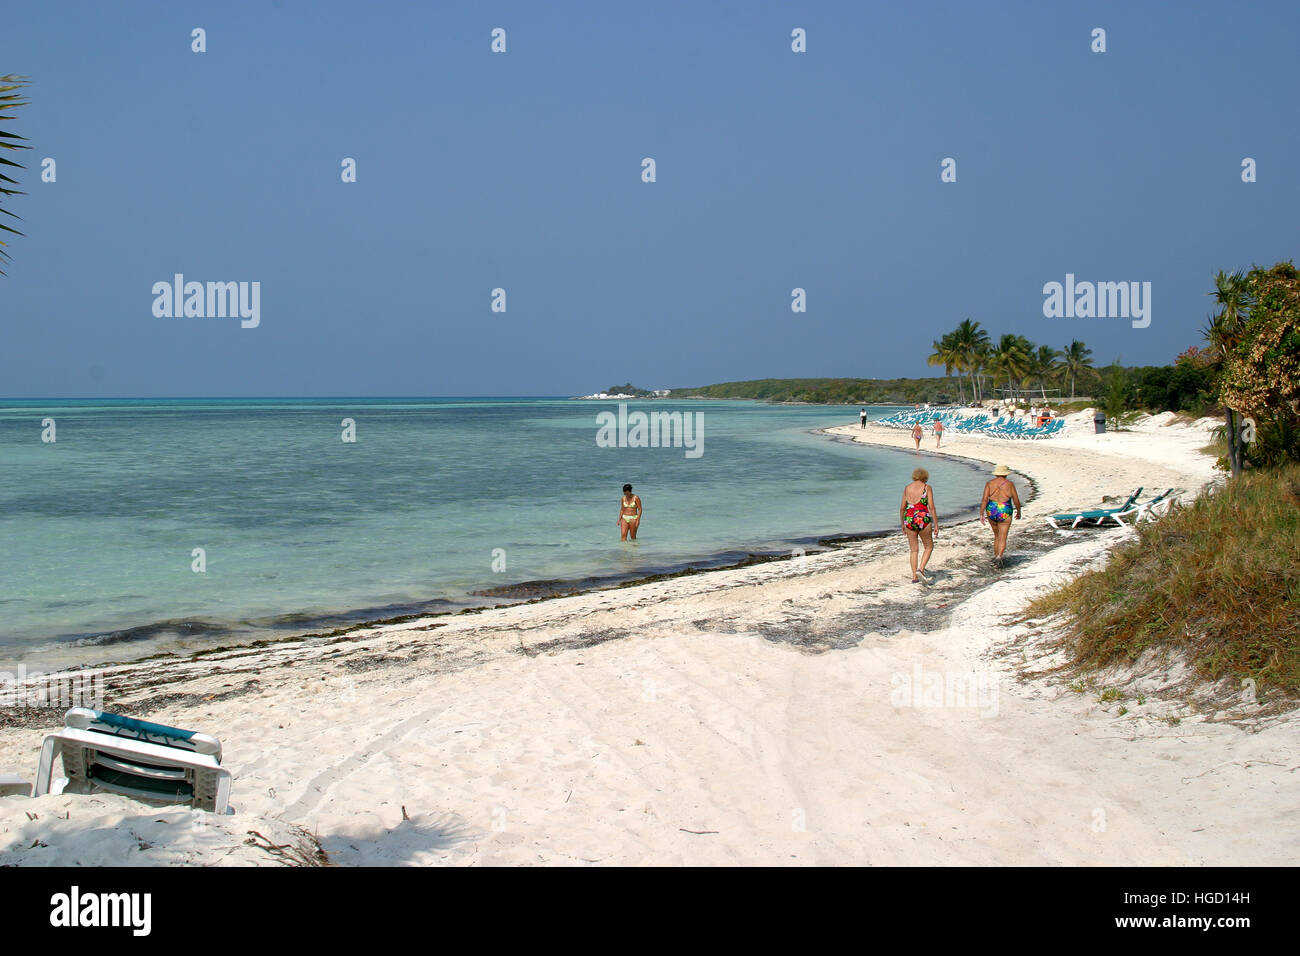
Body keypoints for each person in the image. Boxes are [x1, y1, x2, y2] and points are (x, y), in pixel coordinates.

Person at [900, 467, 938, 583]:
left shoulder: (907, 488)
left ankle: (914, 577)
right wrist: (936, 524)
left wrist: (902, 523)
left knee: (913, 549)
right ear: (925, 477)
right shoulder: (927, 488)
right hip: (922, 518)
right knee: (928, 546)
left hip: (909, 518)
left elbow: (902, 508)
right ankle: (921, 569)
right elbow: (931, 507)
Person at [980, 464, 1022, 567]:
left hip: (992, 508)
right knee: (1003, 536)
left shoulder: (989, 484)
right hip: (1004, 508)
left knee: (996, 535)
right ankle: (999, 556)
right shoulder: (1010, 484)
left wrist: (981, 513)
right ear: (1006, 474)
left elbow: (985, 499)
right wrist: (1018, 511)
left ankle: (996, 558)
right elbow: (1016, 500)